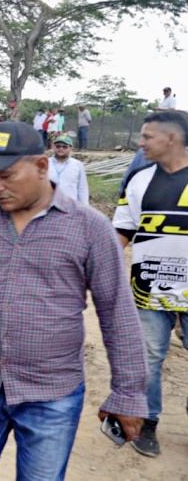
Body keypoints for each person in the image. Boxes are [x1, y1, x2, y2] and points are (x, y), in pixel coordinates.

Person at [0, 121, 148, 480]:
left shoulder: (90, 228)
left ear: (41, 166)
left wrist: (128, 394)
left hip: (52, 391)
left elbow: (117, 311)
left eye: (6, 175)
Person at [113, 111, 188, 458]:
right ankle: (148, 424)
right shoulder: (139, 180)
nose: (140, 143)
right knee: (148, 358)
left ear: (171, 139)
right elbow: (123, 231)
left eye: (147, 137)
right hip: (148, 290)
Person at [48, 135, 89, 204]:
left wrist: (84, 205)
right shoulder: (45, 163)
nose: (61, 149)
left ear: (71, 148)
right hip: (48, 205)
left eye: (64, 147)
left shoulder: (77, 165)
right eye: (58, 146)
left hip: (70, 206)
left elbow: (82, 188)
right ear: (53, 147)